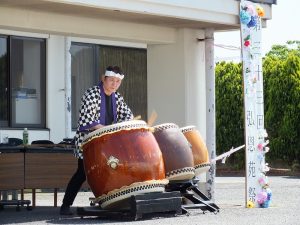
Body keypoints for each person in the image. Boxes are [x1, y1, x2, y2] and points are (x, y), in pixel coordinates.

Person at [60, 65, 134, 215]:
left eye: (118, 81)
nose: (114, 84)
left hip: (107, 143)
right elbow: (87, 121)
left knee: (109, 171)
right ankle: (65, 205)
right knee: (82, 173)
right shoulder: (92, 94)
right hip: (88, 141)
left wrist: (121, 126)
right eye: (112, 80)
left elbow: (128, 116)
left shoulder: (117, 97)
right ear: (103, 79)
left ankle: (107, 203)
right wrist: (108, 130)